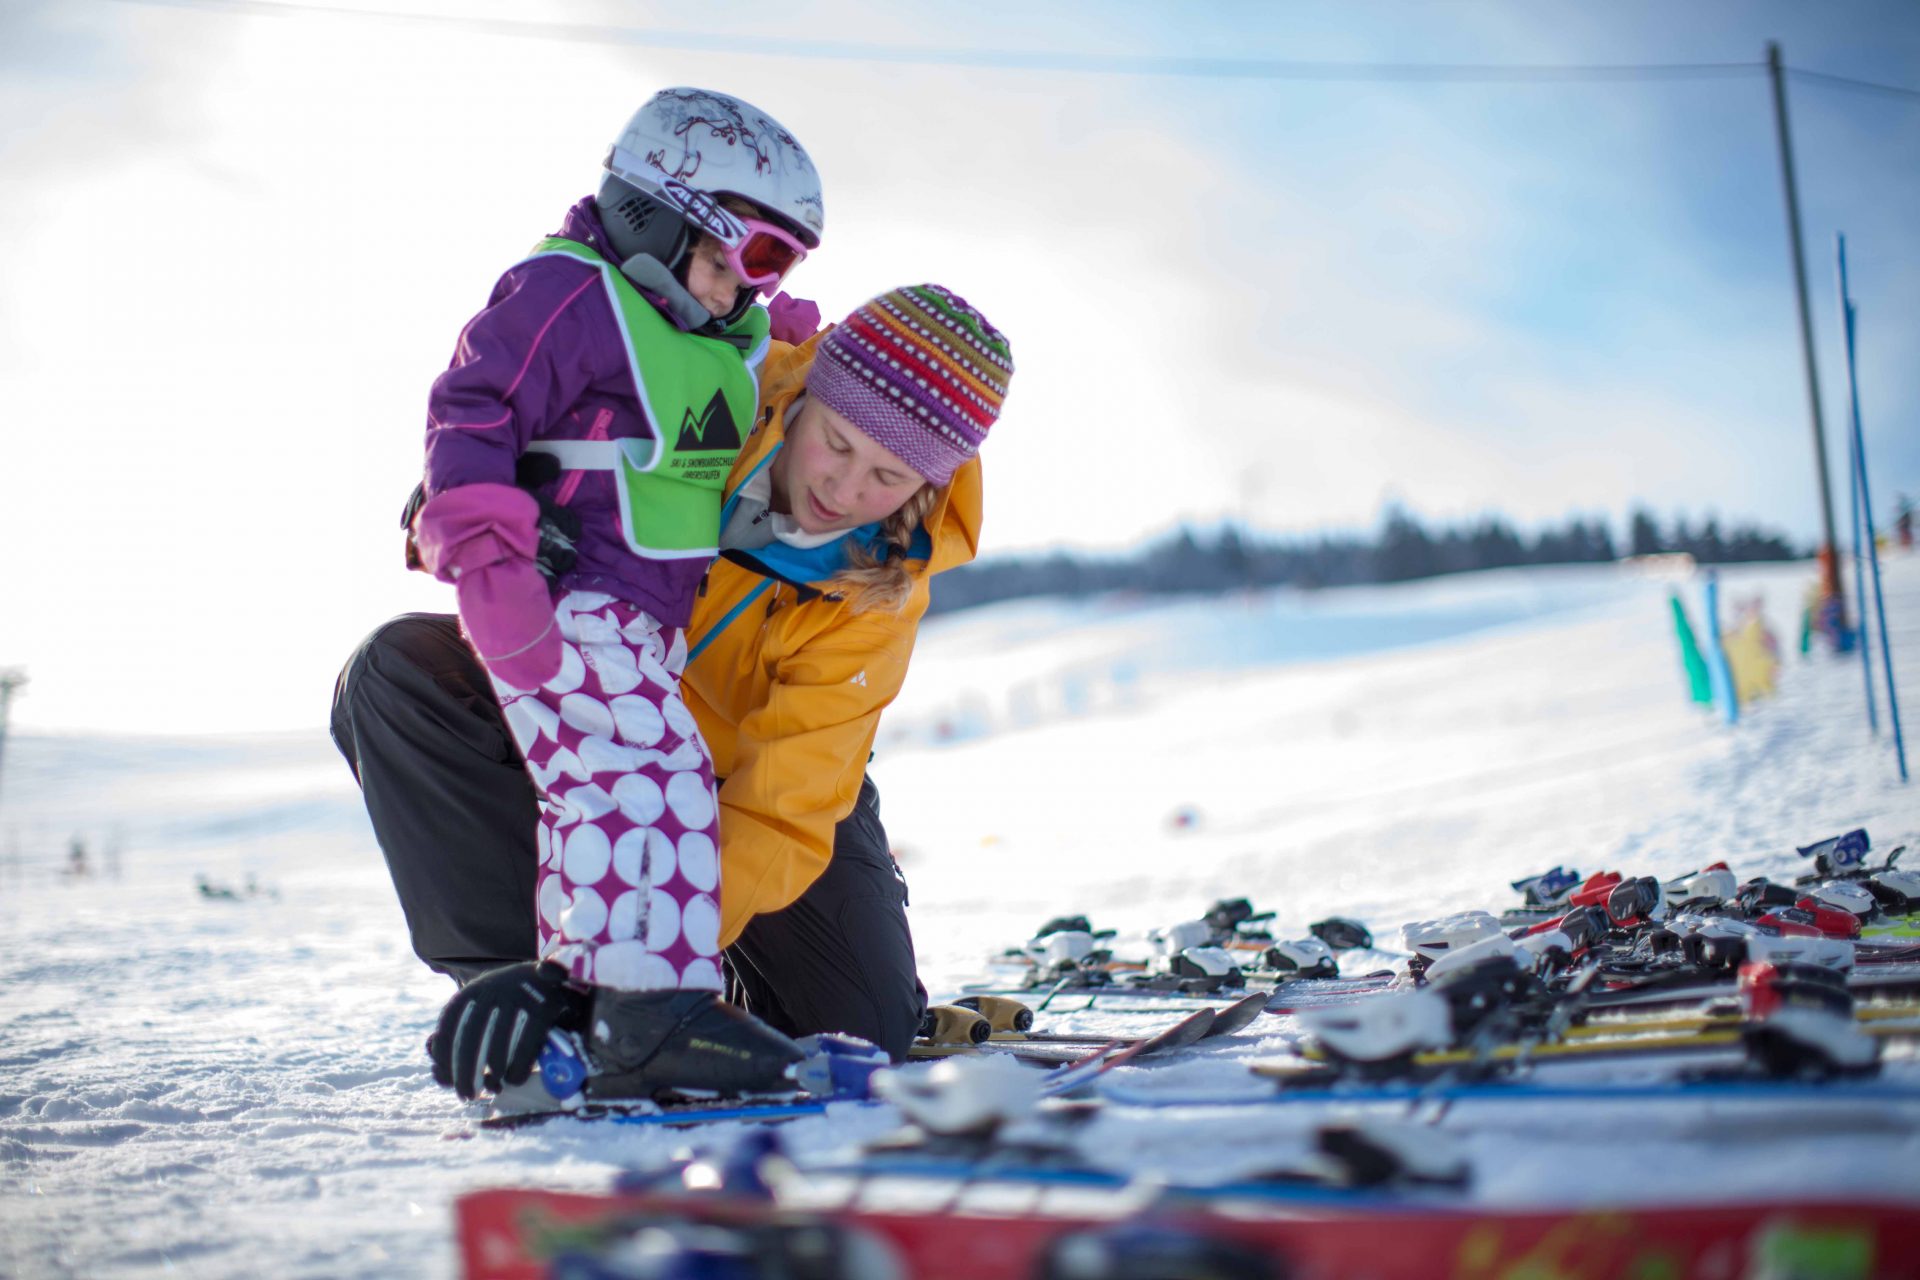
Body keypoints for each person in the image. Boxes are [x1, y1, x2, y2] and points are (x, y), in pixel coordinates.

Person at [333, 283, 1013, 1102]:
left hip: (750, 780)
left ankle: (635, 998)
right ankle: (533, 993)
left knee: (858, 1026)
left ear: (925, 488)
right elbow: (509, 451)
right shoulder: (698, 397)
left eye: (888, 476)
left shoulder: (882, 593)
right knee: (397, 670)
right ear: (804, 401)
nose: (844, 489)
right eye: (835, 443)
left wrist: (632, 958)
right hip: (593, 713)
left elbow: (782, 812)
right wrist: (475, 512)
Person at [393, 85, 828, 1101]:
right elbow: (471, 411)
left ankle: (635, 1000)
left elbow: (740, 376)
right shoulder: (568, 293)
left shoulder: (706, 333)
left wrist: (787, 320)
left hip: (640, 624)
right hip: (565, 600)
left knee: (665, 781)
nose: (747, 289)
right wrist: (488, 565)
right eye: (747, 256)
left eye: (778, 269)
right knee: (628, 781)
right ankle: (642, 1011)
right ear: (661, 212)